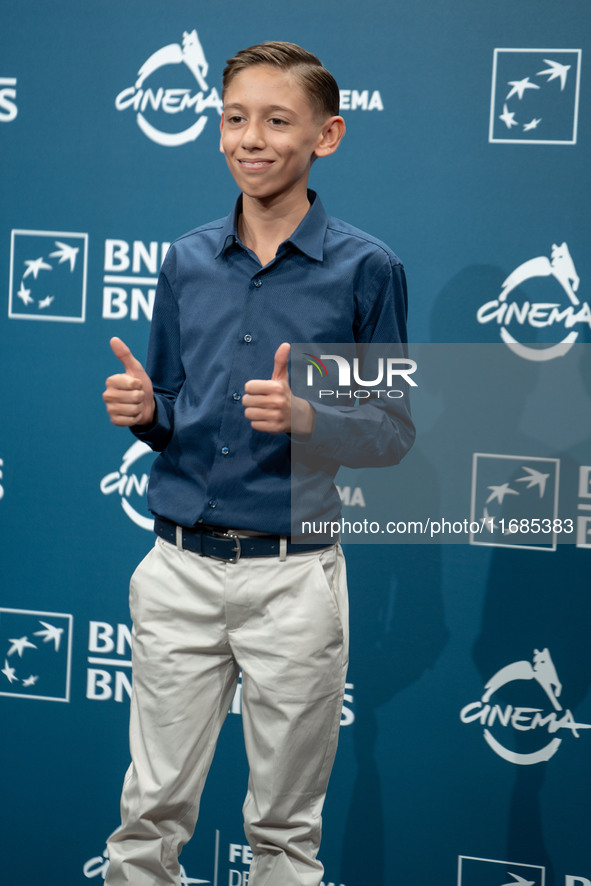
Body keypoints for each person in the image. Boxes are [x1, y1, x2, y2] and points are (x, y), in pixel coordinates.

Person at [102, 41, 414, 886]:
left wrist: (308, 417)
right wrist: (145, 416)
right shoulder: (186, 259)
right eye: (235, 118)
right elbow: (173, 414)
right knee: (146, 817)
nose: (252, 138)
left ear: (328, 136)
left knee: (282, 834)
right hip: (177, 570)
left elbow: (392, 433)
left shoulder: (366, 269)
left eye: (277, 120)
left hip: (293, 579)